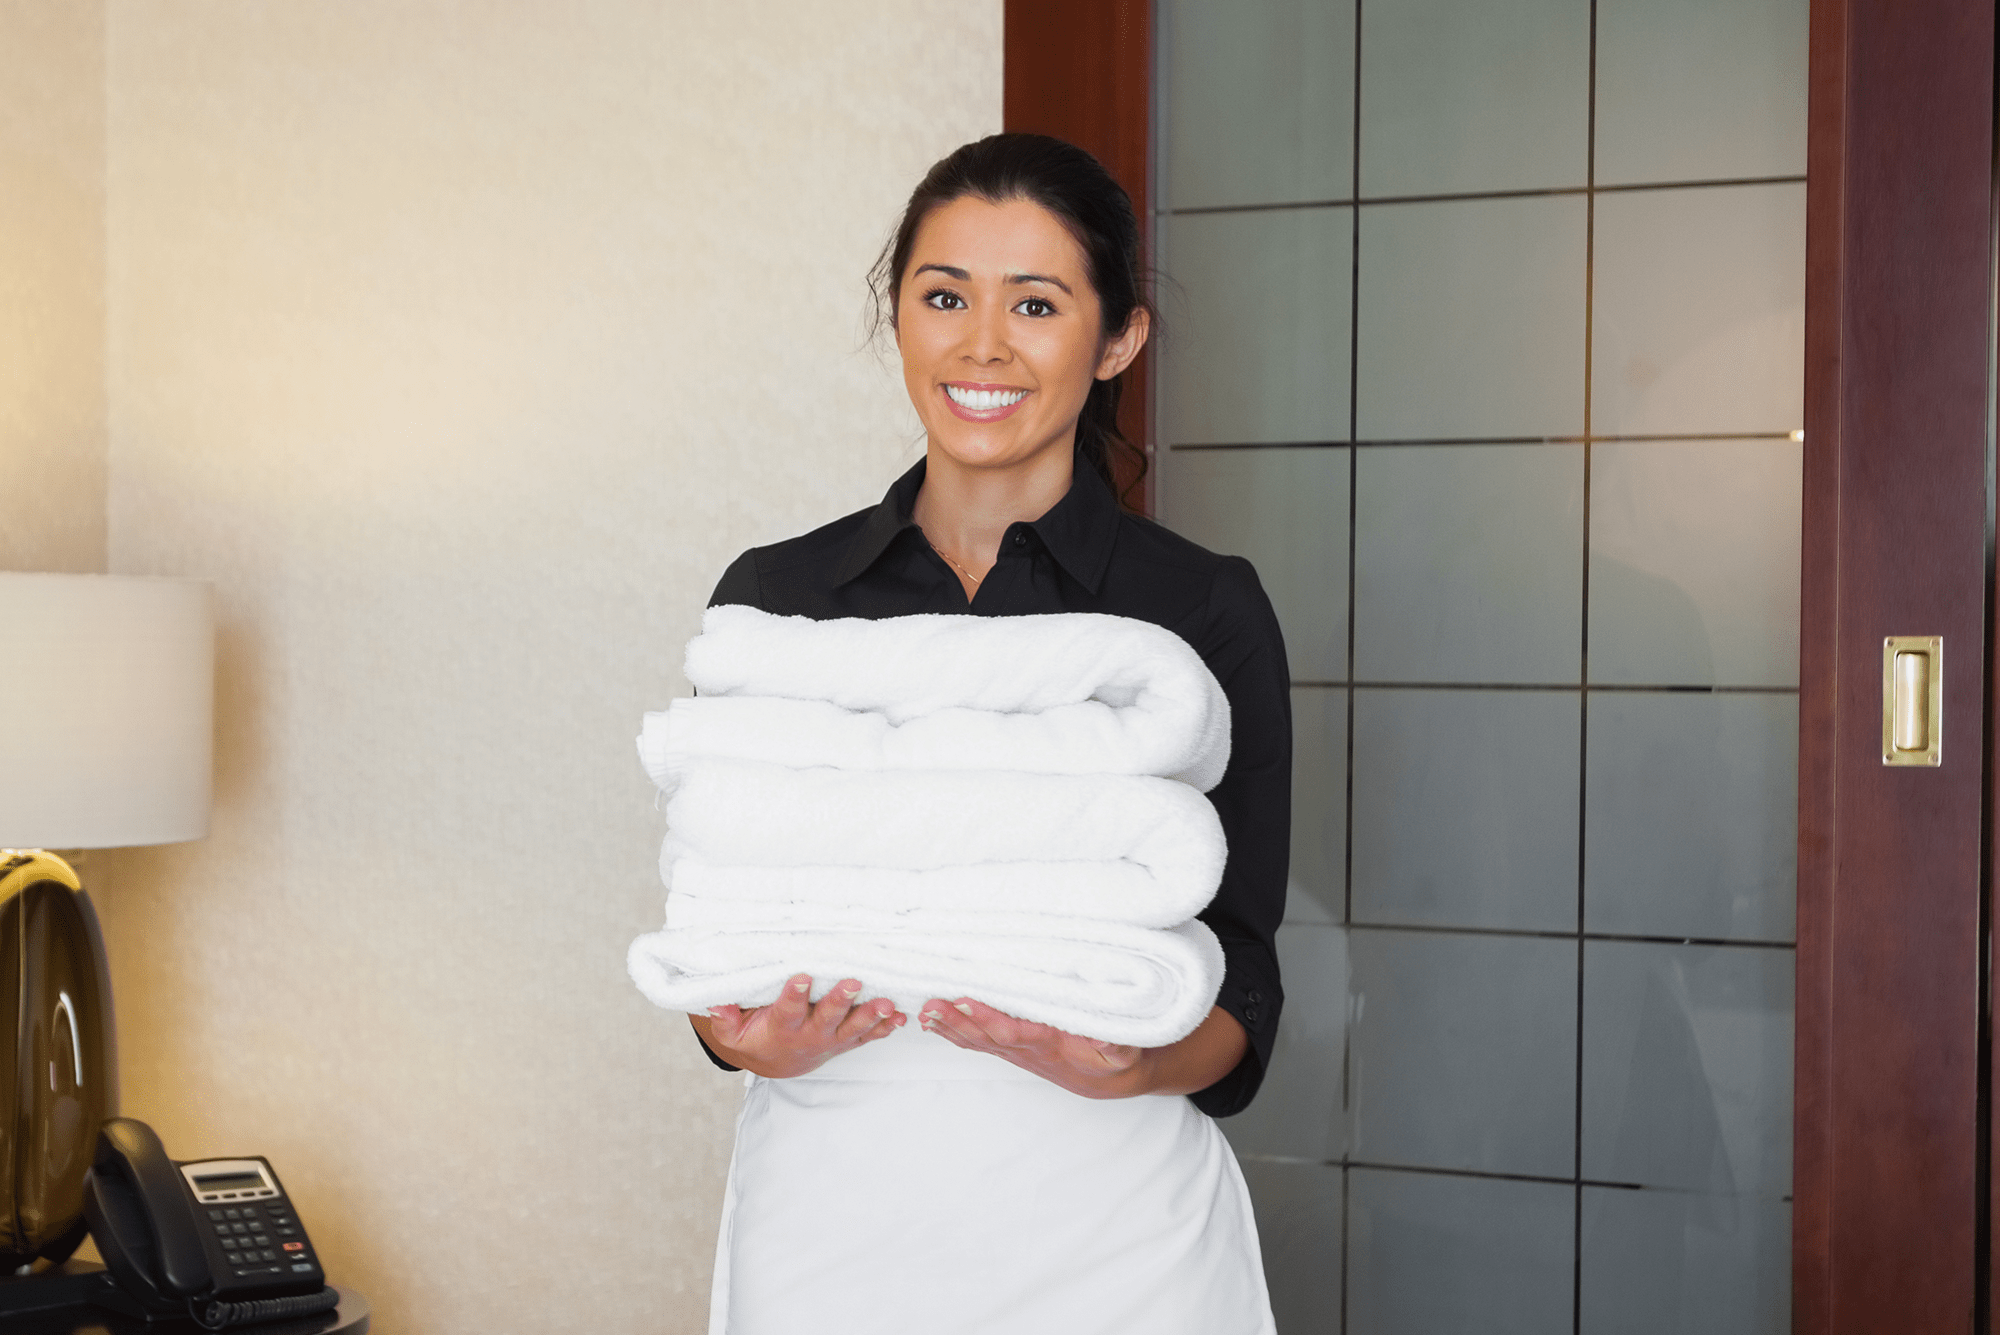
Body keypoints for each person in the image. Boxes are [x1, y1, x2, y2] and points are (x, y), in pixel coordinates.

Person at [686, 132, 1290, 1334]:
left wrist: (1137, 1063)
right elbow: (722, 908)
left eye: (1036, 303)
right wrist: (735, 1034)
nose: (982, 344)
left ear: (1115, 338)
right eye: (944, 295)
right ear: (896, 314)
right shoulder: (779, 603)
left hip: (1115, 1229)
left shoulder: (1196, 607)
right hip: (830, 1220)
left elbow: (1245, 972)